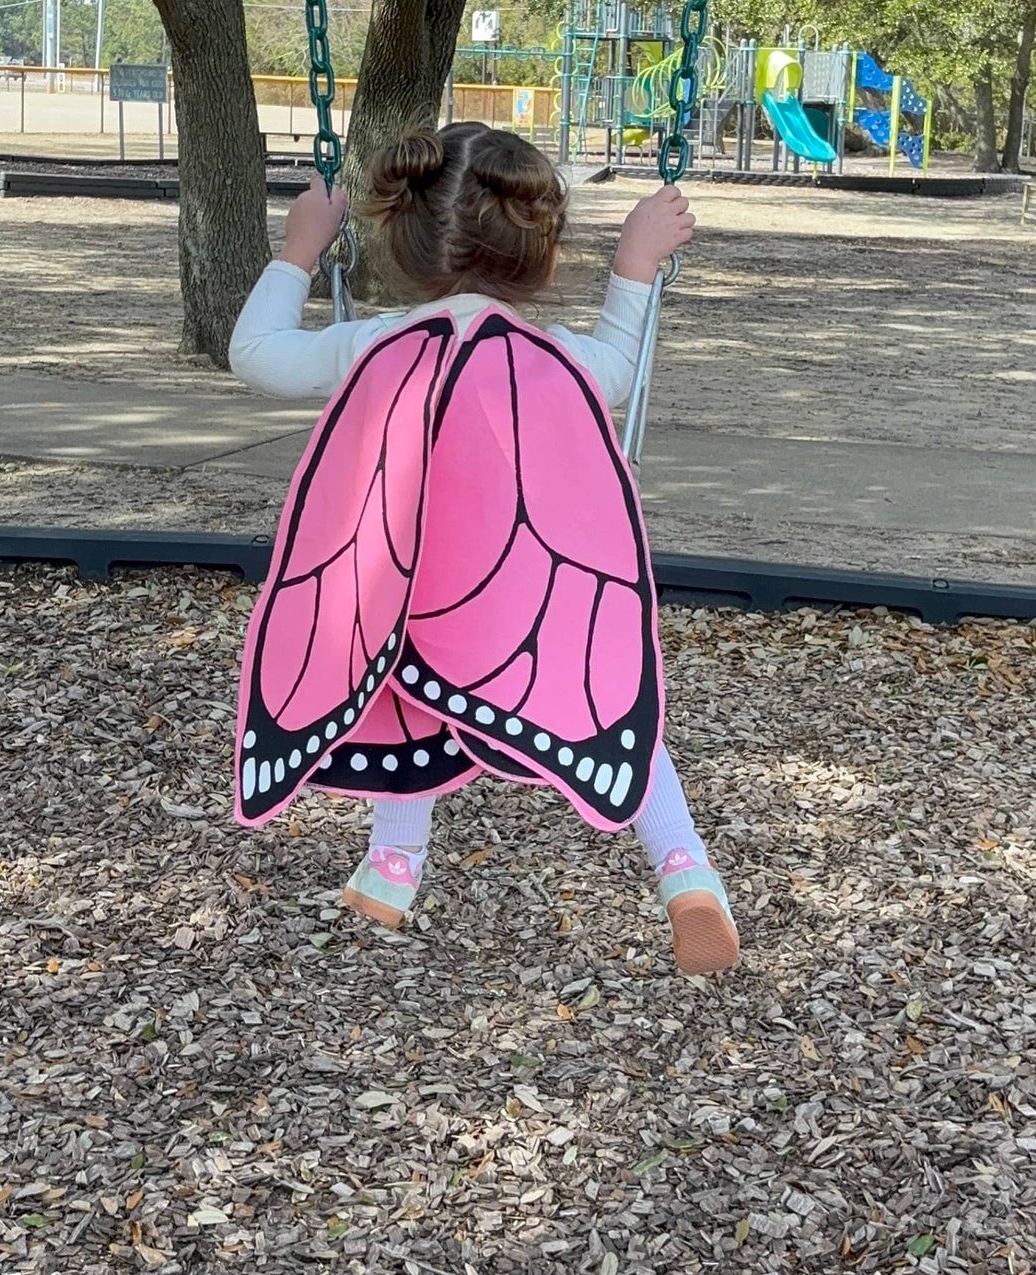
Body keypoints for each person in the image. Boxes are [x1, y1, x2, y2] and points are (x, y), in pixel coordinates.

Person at [228, 122, 738, 975]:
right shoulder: (559, 357)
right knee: (605, 694)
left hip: (400, 586)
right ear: (536, 253)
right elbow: (621, 362)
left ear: (401, 238)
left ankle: (394, 867)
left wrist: (299, 250)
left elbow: (256, 354)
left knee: (398, 688)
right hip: (526, 595)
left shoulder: (373, 343)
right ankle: (685, 870)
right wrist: (635, 266)